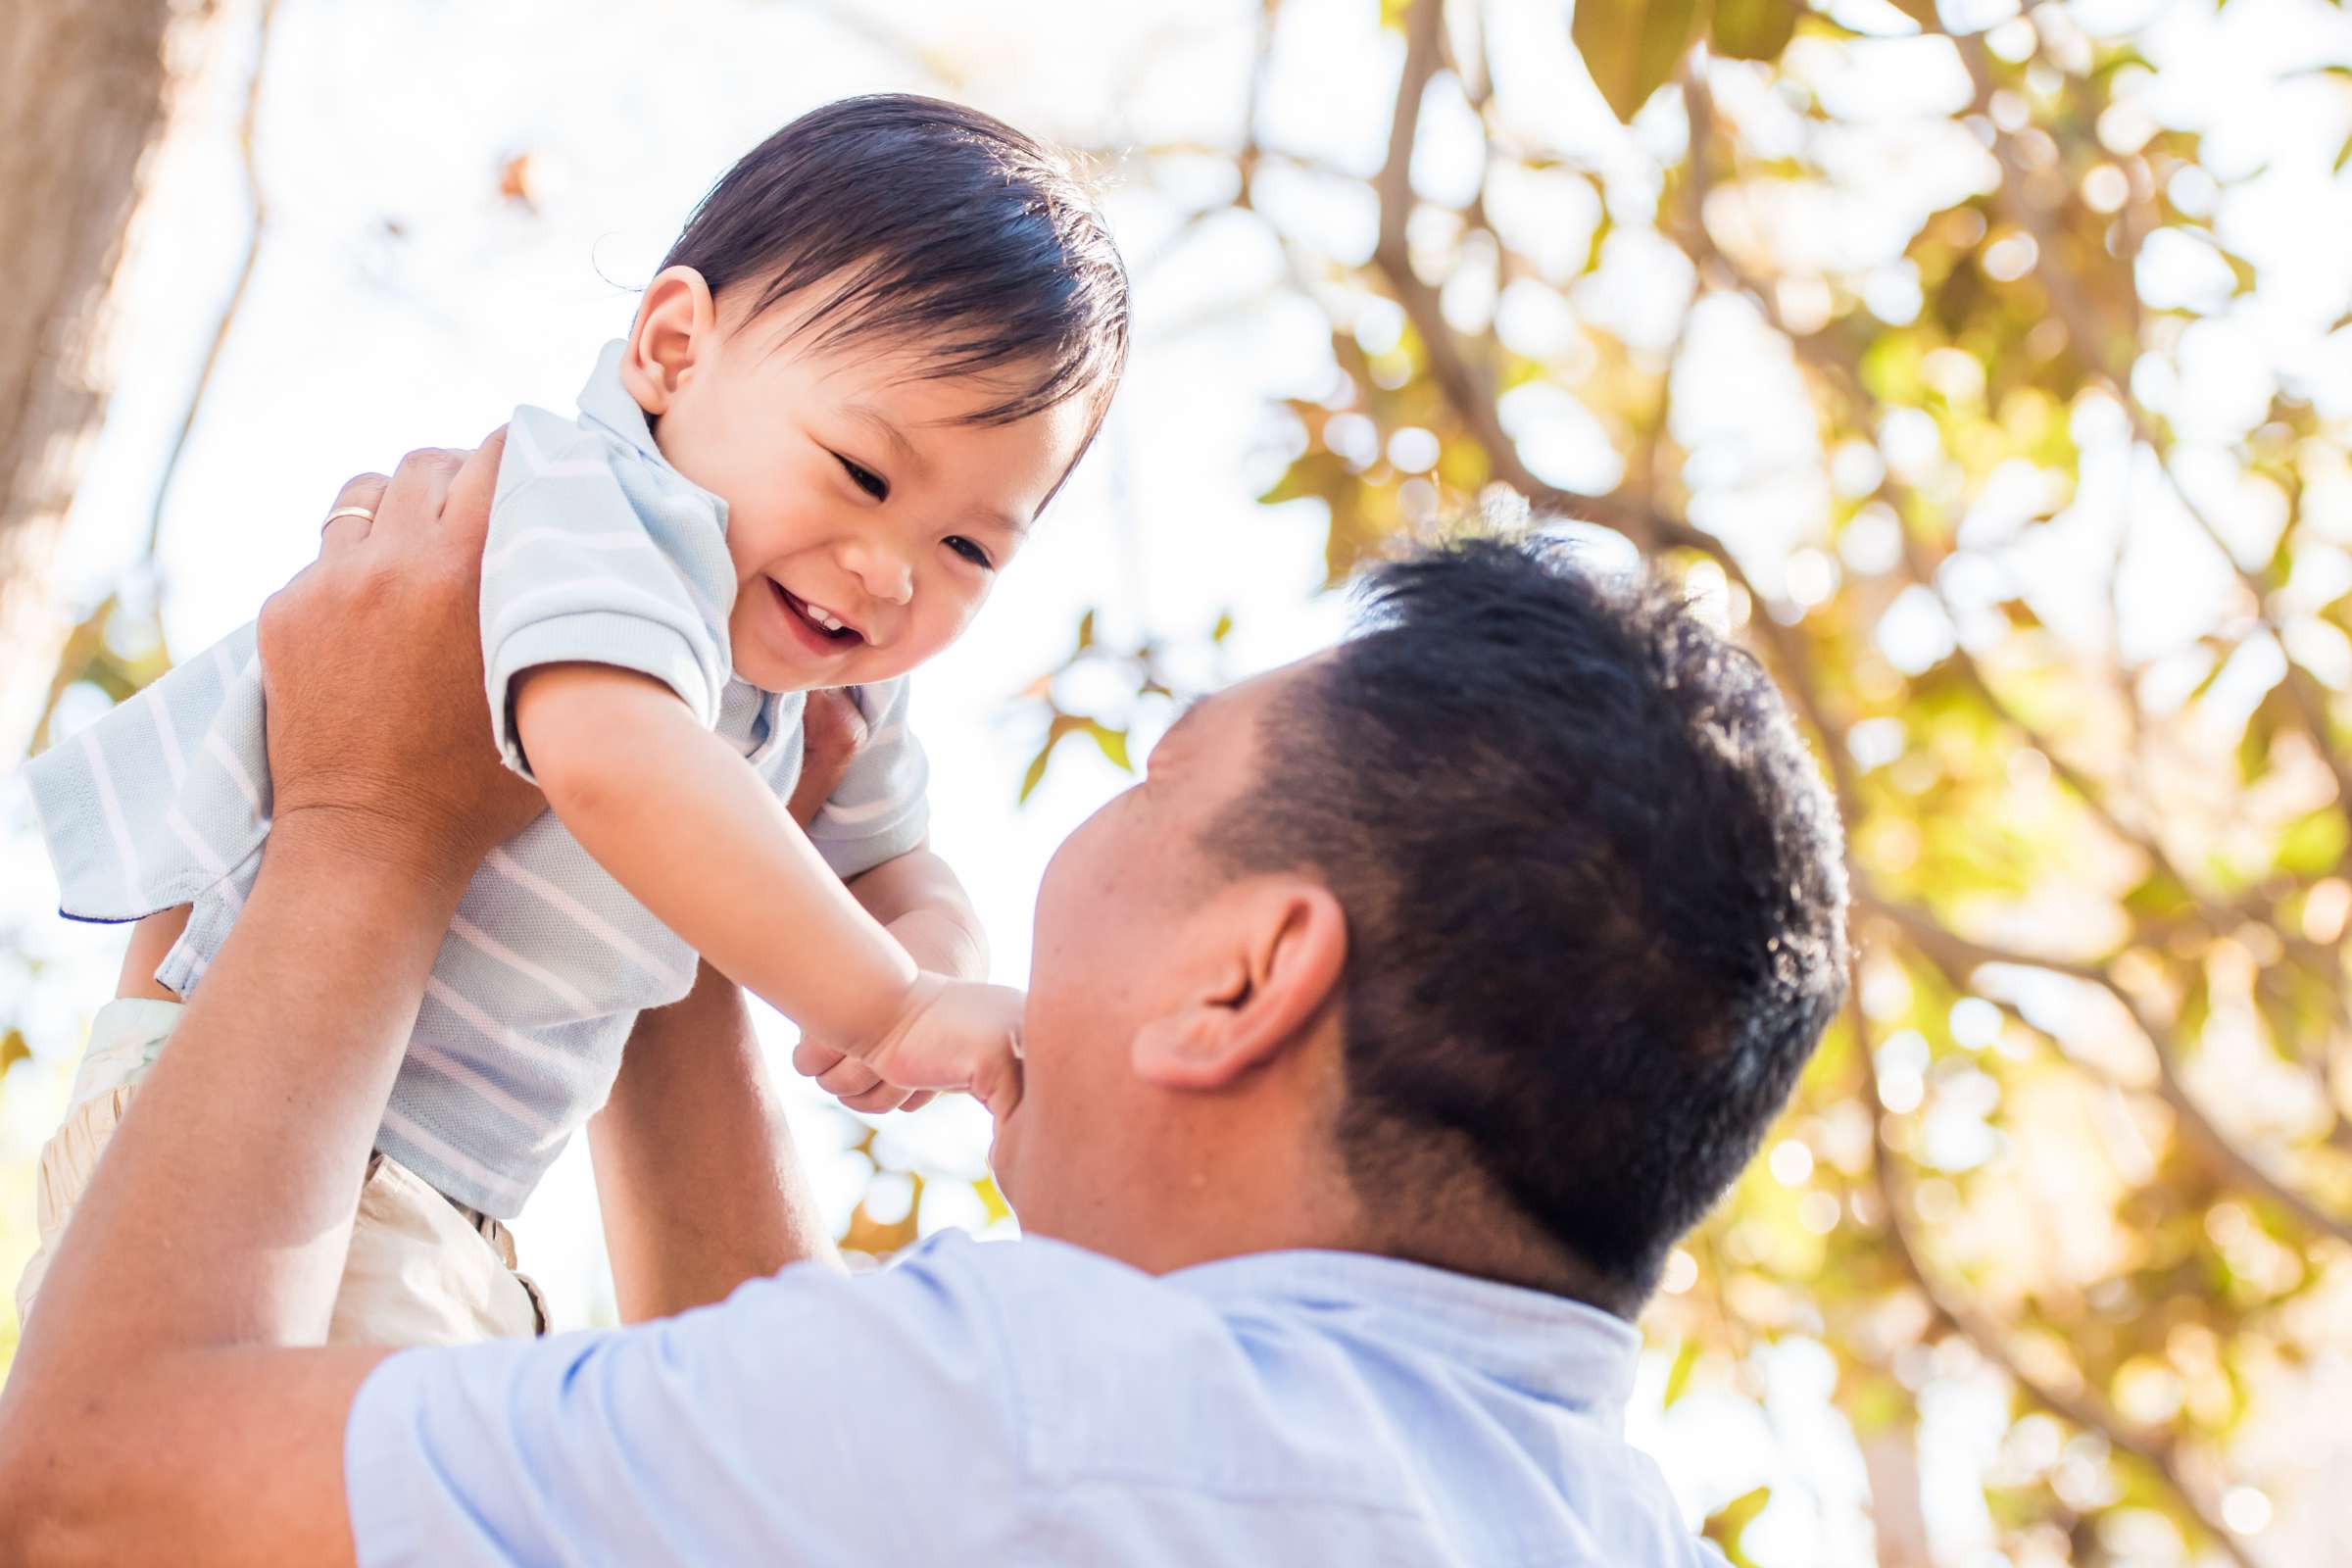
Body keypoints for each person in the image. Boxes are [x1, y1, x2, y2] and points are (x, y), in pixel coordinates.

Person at [0, 440, 1849, 1565]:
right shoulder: (1606, 1530)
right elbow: (768, 1488)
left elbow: (94, 1499)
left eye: (1150, 779)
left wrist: (366, 822)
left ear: (1245, 977)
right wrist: (666, 860)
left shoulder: (1045, 1418)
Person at [13, 94, 1129, 1344]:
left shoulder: (834, 672)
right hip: (239, 1096)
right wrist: (892, 1010)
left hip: (432, 1178)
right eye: (862, 474)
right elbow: (611, 757)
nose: (888, 569)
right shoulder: (595, 500)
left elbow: (894, 857)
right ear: (670, 349)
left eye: (970, 547)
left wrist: (936, 956)